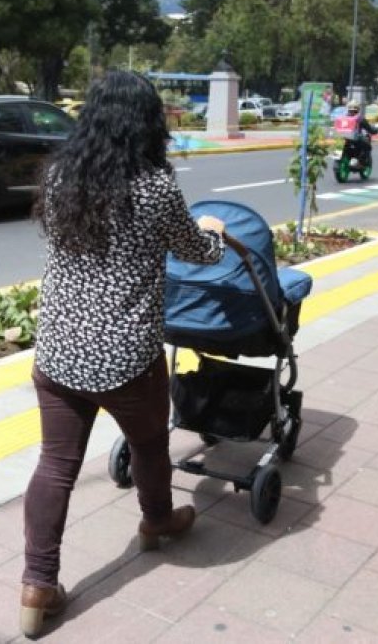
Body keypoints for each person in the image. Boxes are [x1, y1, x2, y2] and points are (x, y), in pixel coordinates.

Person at [20, 70, 226, 638]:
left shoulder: (61, 175)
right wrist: (213, 232)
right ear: (146, 123)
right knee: (148, 442)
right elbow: (197, 251)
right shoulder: (155, 185)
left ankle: (38, 585)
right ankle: (157, 521)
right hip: (125, 358)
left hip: (59, 352)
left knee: (55, 465)